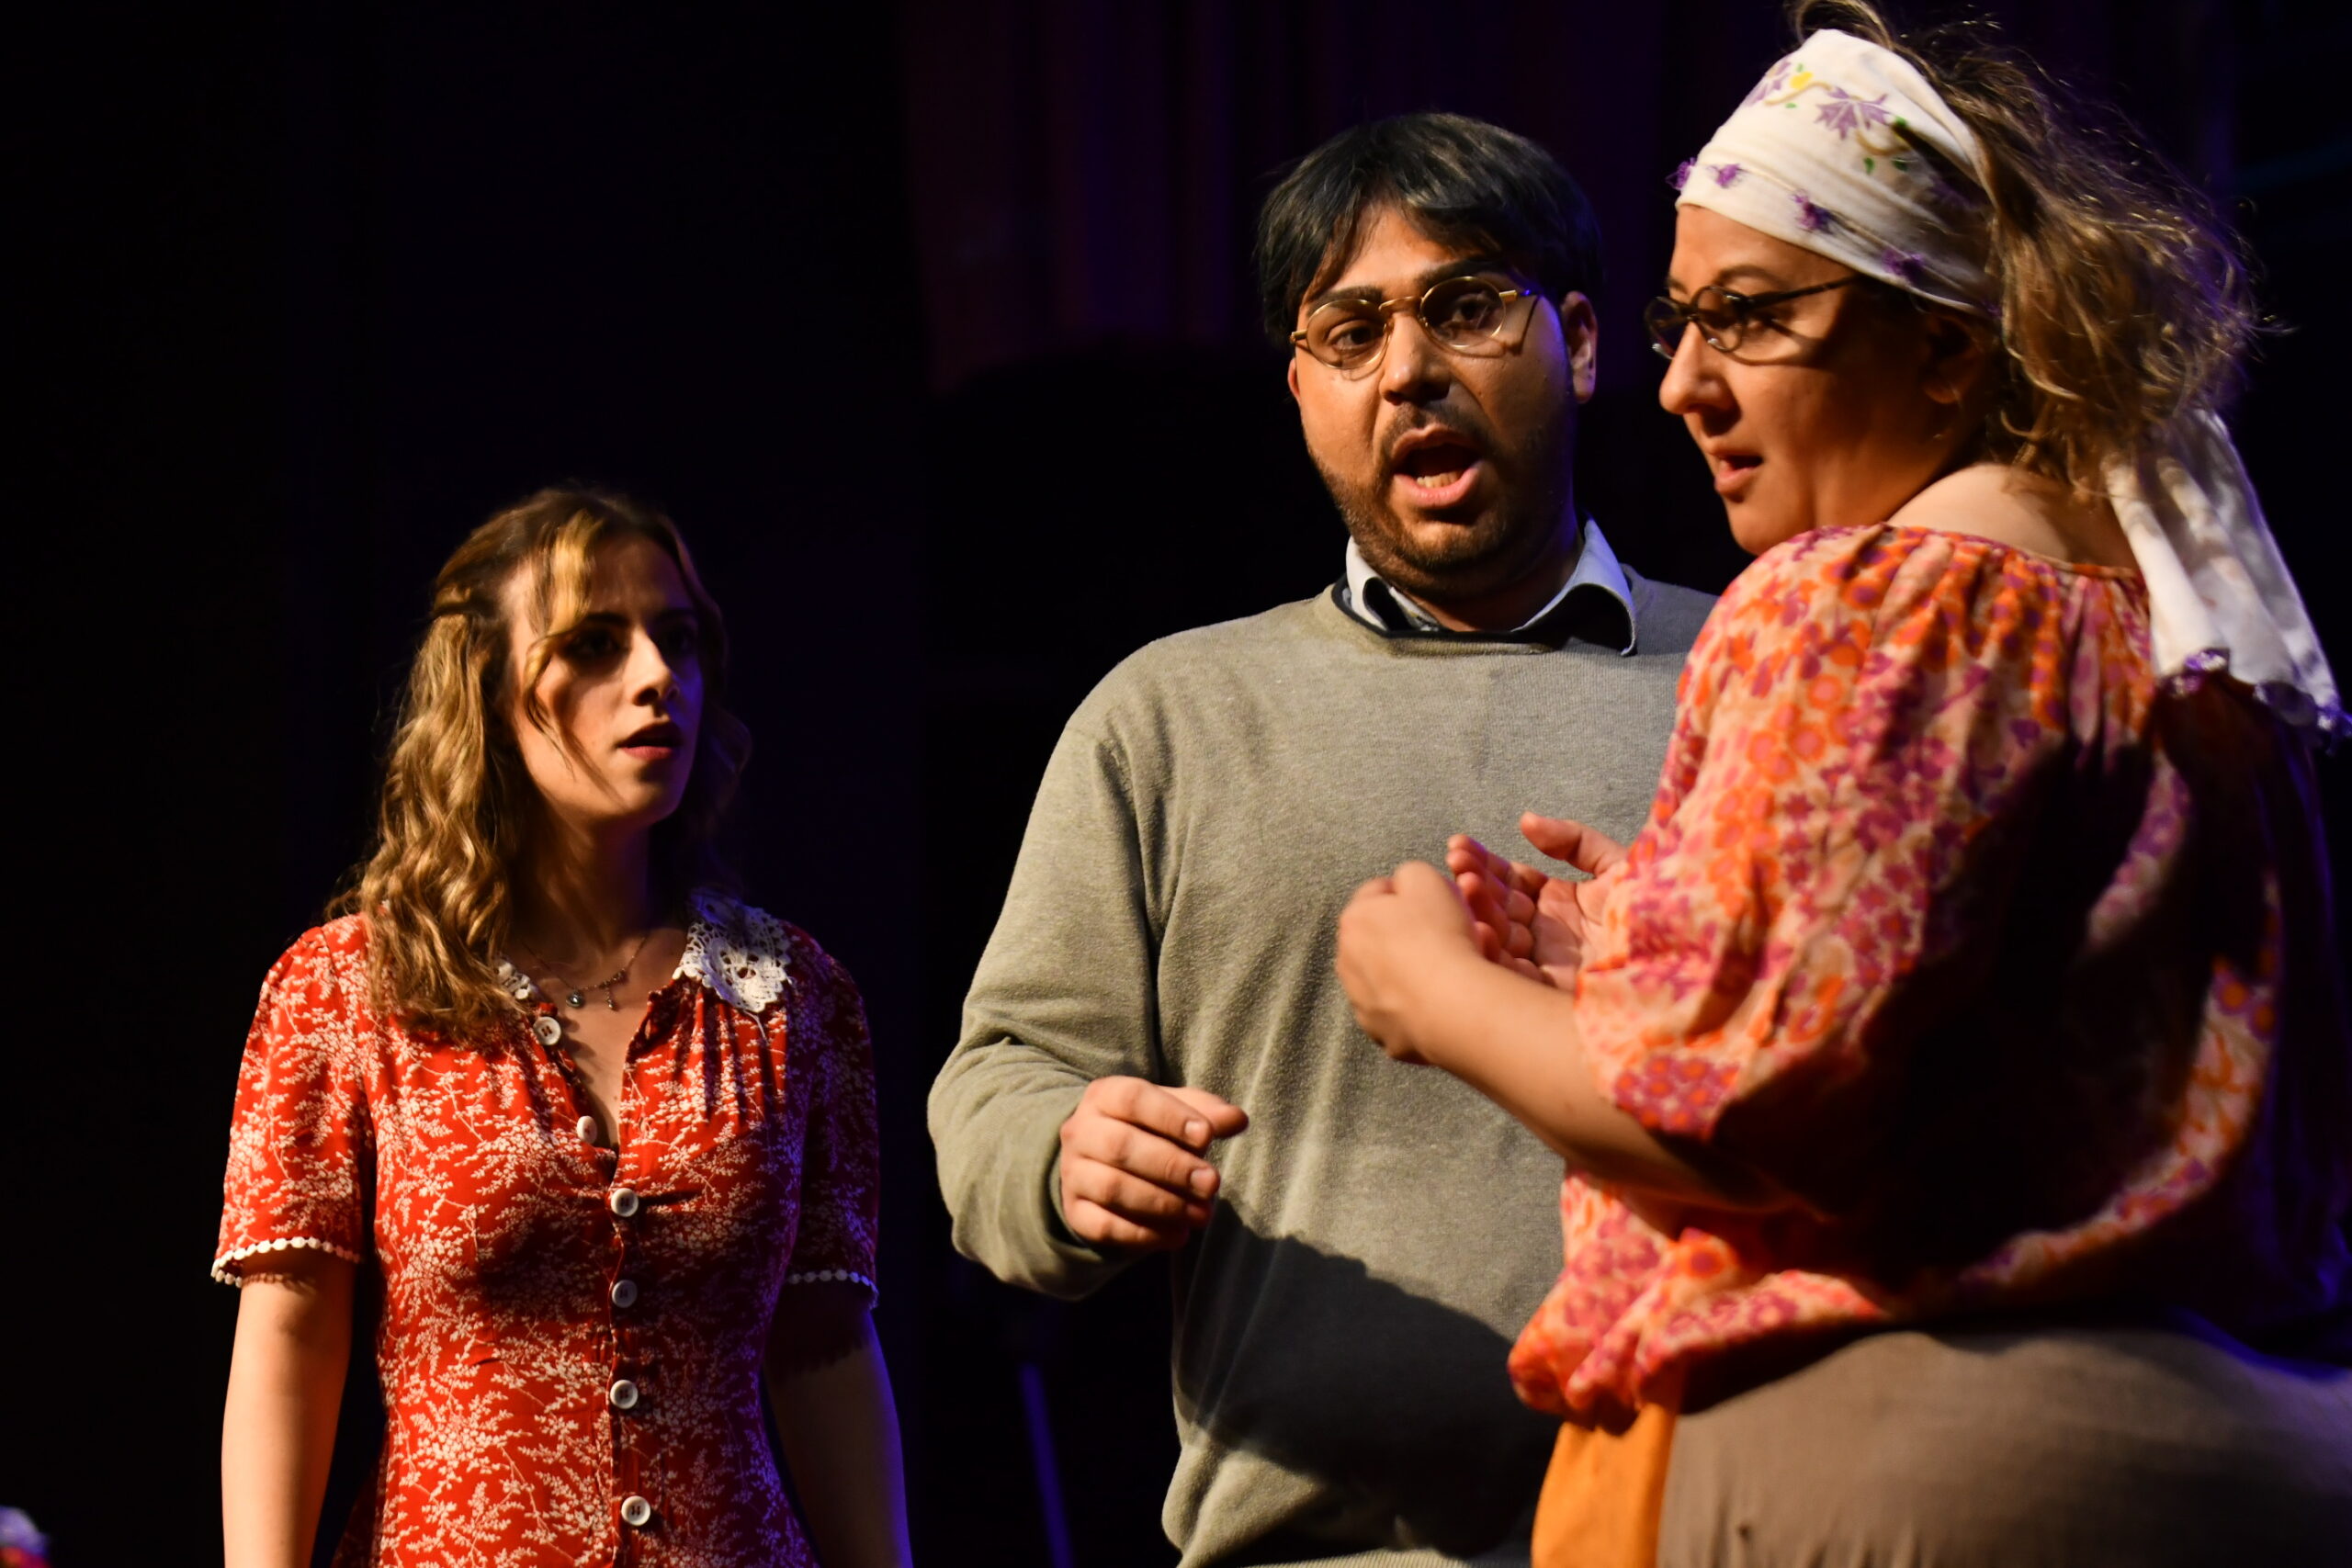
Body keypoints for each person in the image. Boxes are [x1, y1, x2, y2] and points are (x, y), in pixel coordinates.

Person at [1336, 5, 2351, 1565]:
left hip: (1902, 1463)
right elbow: (1989, 1031)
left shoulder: (1871, 602)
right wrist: (1662, 943)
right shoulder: (2175, 629)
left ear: (1944, 343)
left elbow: (1746, 1121)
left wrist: (1438, 992)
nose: (1683, 385)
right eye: (1681, 323)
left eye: (1746, 317)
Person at [929, 114, 1717, 1567]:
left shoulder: (1759, 677)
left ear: (1585, 342)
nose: (1409, 368)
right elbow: (1003, 1072)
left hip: (1713, 1531)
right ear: (1302, 391)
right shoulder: (1171, 716)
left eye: (1466, 307)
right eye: (1351, 333)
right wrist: (1059, 1154)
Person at [216, 490, 911, 1568]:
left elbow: (824, 1345)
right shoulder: (349, 986)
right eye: (594, 645)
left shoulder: (790, 994)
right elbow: (291, 1341)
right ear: (490, 688)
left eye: (677, 639)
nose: (656, 676)